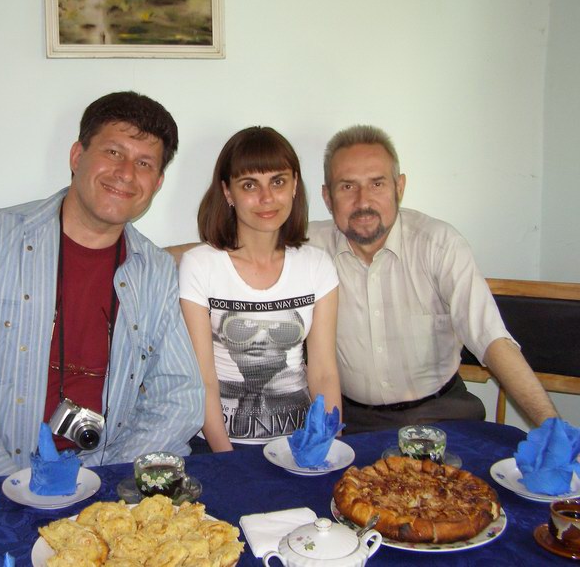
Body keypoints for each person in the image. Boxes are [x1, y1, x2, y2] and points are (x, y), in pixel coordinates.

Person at [0, 91, 204, 482]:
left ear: (157, 182)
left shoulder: (156, 271)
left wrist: (112, 478)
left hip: (104, 471)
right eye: (113, 152)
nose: (126, 173)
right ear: (77, 156)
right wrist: (7, 479)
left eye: (144, 163)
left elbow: (179, 396)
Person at [309, 124, 558, 433]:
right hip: (353, 420)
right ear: (327, 197)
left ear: (399, 187)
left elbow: (490, 337)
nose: (363, 202)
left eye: (377, 184)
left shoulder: (439, 245)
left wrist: (550, 426)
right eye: (347, 186)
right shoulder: (309, 250)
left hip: (443, 413)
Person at [178, 126, 341, 452]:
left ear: (294, 185)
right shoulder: (200, 265)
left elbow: (324, 373)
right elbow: (203, 380)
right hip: (220, 444)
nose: (266, 198)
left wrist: (325, 446)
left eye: (278, 182)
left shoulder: (317, 265)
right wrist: (227, 459)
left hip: (298, 444)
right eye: (249, 185)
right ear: (227, 192)